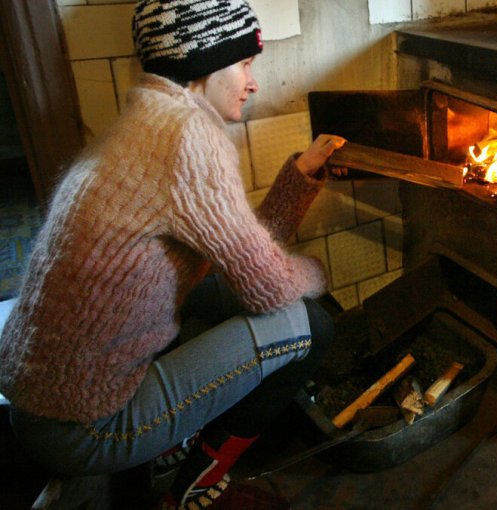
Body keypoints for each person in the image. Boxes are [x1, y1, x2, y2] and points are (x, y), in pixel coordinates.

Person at [0, 0, 346, 508]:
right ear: (206, 63)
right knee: (308, 323)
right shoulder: (188, 138)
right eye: (245, 63)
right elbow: (269, 285)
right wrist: (318, 274)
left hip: (41, 404)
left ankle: (169, 445)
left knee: (222, 293)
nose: (253, 82)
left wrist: (303, 170)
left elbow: (244, 254)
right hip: (86, 426)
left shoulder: (150, 120)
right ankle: (195, 485)